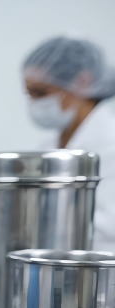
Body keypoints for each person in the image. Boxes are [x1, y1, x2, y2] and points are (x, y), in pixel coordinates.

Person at [23, 36, 115, 252]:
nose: (34, 103)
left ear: (82, 82)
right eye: (28, 92)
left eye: (40, 92)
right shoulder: (52, 143)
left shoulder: (110, 142)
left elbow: (108, 226)